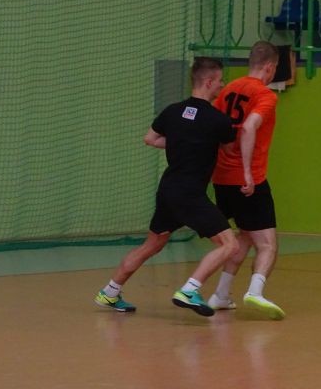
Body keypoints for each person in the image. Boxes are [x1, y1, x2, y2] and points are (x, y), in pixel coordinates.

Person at [95, 57, 238, 317]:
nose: (222, 84)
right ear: (208, 82)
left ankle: (110, 292)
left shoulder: (172, 111)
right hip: (189, 194)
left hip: (168, 189)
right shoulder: (218, 120)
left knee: (152, 245)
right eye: (220, 80)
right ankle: (190, 290)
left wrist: (179, 142)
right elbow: (230, 149)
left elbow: (150, 139)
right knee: (230, 244)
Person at [205, 41, 286, 320]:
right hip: (247, 180)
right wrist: (249, 172)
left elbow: (213, 125)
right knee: (268, 244)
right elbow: (250, 126)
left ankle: (221, 295)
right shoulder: (265, 95)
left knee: (245, 237)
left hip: (222, 178)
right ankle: (255, 291)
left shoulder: (228, 89)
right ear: (270, 67)